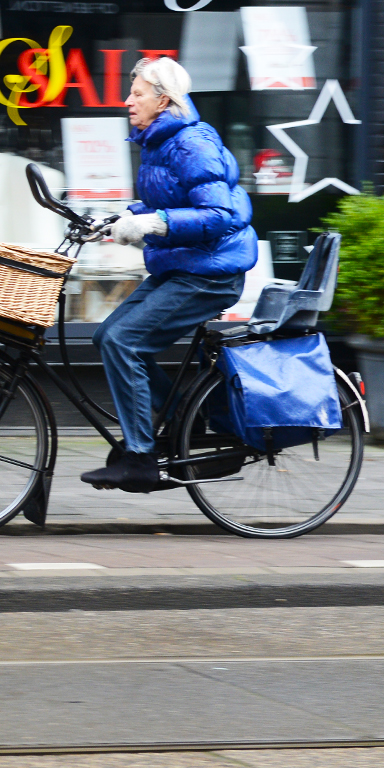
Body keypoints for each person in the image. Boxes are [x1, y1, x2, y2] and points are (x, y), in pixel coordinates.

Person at [81, 56, 255, 492]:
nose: (128, 100)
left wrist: (152, 224)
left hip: (210, 273)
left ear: (163, 100)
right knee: (106, 336)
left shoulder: (191, 142)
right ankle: (182, 418)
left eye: (137, 93)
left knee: (124, 341)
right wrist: (120, 218)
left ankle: (140, 458)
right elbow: (172, 200)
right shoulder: (160, 141)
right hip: (183, 265)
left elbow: (217, 215)